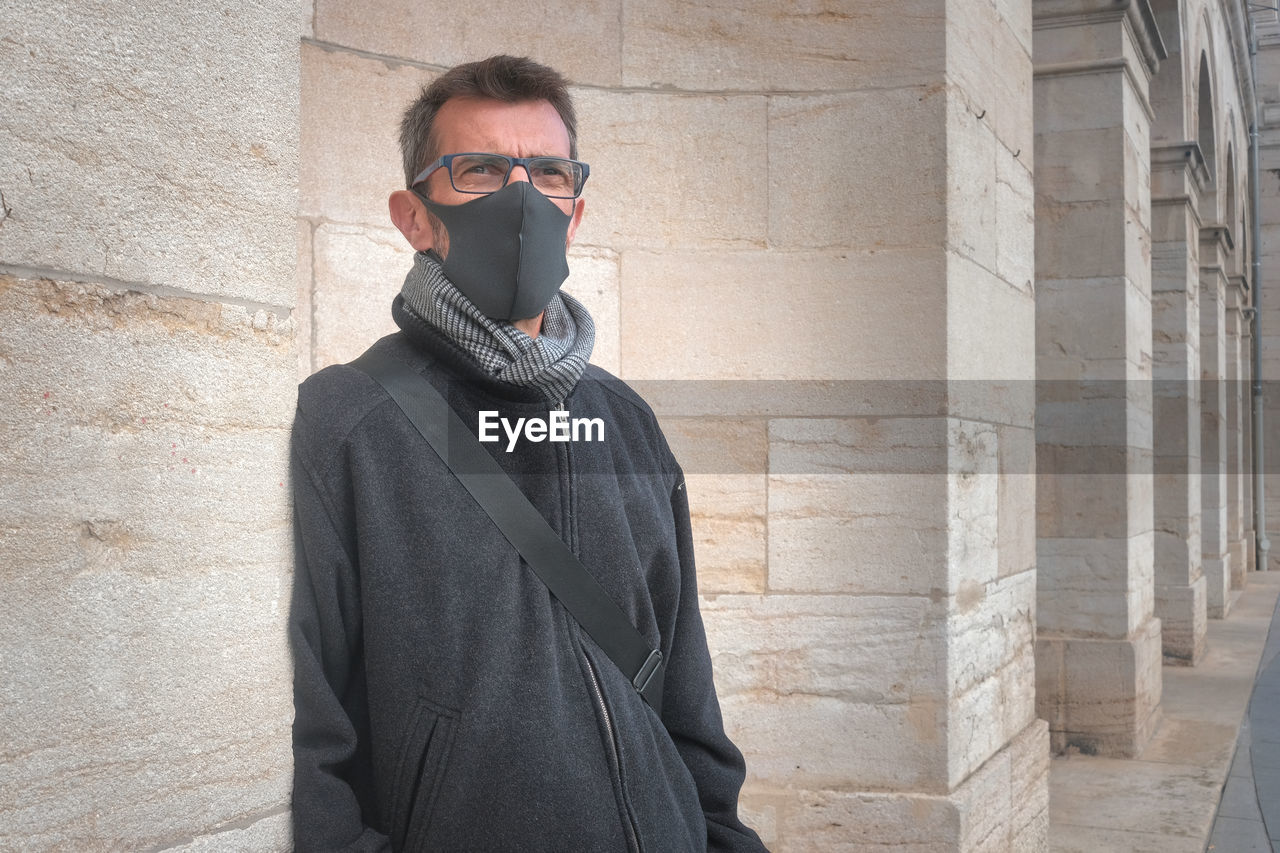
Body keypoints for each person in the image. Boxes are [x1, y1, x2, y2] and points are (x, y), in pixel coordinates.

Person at [289, 54, 767, 852]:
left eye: (547, 173)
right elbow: (317, 738)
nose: (521, 199)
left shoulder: (627, 421)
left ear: (575, 214)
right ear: (414, 216)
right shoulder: (348, 420)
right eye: (479, 170)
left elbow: (687, 693)